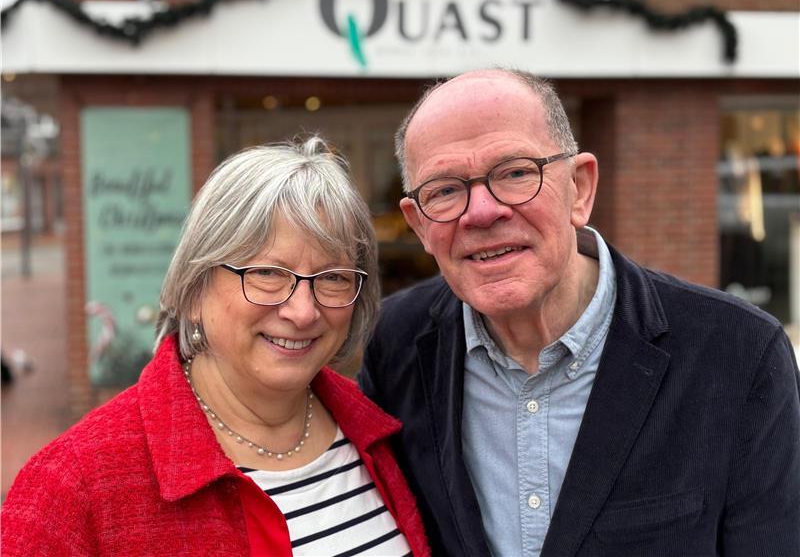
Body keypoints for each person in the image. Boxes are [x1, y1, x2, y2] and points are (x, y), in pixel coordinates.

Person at [358, 69, 800, 556]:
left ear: (580, 189)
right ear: (419, 225)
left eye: (515, 172)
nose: (481, 212)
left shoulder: (738, 353)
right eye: (444, 190)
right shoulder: (395, 344)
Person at [2, 137, 429, 556]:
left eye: (333, 277)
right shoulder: (72, 486)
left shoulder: (384, 432)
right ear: (193, 291)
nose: (303, 311)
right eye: (266, 273)